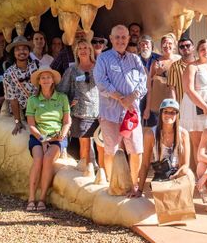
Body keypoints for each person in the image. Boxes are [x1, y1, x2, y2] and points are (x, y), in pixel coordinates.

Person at [93, 25, 148, 198]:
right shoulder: (103, 58)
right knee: (111, 149)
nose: (120, 41)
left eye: (124, 37)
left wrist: (132, 97)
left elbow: (143, 82)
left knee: (136, 149)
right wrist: (119, 97)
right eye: (117, 37)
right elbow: (101, 81)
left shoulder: (135, 59)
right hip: (110, 113)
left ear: (128, 38)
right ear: (111, 38)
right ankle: (113, 184)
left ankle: (134, 185)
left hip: (131, 113)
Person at [24, 67, 71, 211]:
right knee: (38, 158)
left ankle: (42, 198)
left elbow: (67, 121)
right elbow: (31, 124)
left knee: (48, 158)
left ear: (53, 80)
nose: (45, 80)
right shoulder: (33, 100)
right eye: (42, 78)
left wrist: (63, 133)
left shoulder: (62, 98)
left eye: (48, 77)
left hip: (56, 137)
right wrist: (43, 139)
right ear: (38, 81)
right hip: (38, 136)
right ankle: (31, 198)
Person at [59, 39, 101, 176]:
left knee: (102, 146)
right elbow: (62, 90)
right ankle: (86, 174)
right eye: (80, 48)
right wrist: (69, 102)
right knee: (85, 145)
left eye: (85, 48)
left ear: (90, 50)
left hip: (100, 113)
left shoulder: (99, 66)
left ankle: (103, 174)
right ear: (76, 52)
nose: (83, 50)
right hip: (81, 114)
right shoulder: (72, 70)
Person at [181, 39, 207, 172]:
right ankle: (200, 175)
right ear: (198, 52)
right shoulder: (192, 67)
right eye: (203, 49)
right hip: (195, 108)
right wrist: (204, 106)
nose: (206, 52)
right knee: (198, 143)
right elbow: (189, 89)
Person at [139, 98, 192, 190]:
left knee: (189, 174)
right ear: (161, 113)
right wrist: (139, 190)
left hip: (178, 173)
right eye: (165, 111)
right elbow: (145, 164)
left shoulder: (183, 134)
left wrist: (175, 177)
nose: (168, 115)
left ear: (177, 115)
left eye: (172, 112)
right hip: (161, 174)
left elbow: (185, 165)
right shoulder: (150, 134)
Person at [3, 36, 39, 132]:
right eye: (18, 50)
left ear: (29, 51)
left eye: (24, 49)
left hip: (44, 108)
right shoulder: (8, 74)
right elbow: (13, 100)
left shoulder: (37, 66)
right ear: (13, 53)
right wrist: (17, 121)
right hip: (28, 112)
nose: (21, 52)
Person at [144, 34, 180, 128]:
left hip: (176, 102)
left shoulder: (179, 60)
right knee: (157, 130)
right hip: (157, 104)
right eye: (164, 43)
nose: (167, 46)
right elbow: (149, 84)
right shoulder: (155, 62)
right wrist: (156, 73)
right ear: (161, 46)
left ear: (174, 45)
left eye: (169, 43)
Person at [167, 37, 194, 103]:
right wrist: (174, 106)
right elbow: (172, 88)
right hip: (182, 105)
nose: (185, 48)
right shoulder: (174, 66)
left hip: (200, 106)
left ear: (193, 47)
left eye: (188, 45)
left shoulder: (200, 63)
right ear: (179, 50)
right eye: (182, 46)